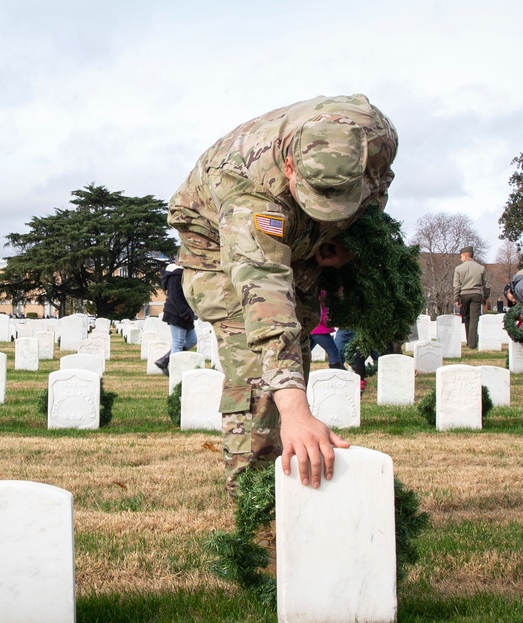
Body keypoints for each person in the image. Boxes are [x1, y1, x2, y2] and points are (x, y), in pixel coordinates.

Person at [168, 94, 397, 495]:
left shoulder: (375, 136)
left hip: (296, 236)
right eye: (318, 200)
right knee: (259, 371)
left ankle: (292, 477)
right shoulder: (250, 195)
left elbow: (376, 199)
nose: (330, 210)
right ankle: (256, 501)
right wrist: (294, 409)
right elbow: (266, 296)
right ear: (291, 167)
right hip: (215, 247)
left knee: (299, 344)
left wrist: (344, 243)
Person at [154, 261, 196, 375]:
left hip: (186, 313)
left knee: (192, 340)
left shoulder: (186, 273)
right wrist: (184, 312)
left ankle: (164, 360)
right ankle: (175, 374)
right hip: (177, 313)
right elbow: (174, 296)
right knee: (177, 344)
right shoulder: (176, 274)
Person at [452, 246, 490, 349]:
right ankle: (472, 344)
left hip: (464, 294)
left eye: (461, 257)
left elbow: (457, 285)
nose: (461, 259)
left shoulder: (459, 269)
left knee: (467, 317)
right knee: (474, 318)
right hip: (476, 294)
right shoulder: (480, 268)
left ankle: (469, 341)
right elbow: (486, 284)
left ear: (465, 255)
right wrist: (485, 297)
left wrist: (456, 299)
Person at [309, 295, 344, 370]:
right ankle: (337, 375)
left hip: (309, 326)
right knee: (333, 352)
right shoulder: (322, 292)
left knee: (304, 353)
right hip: (319, 328)